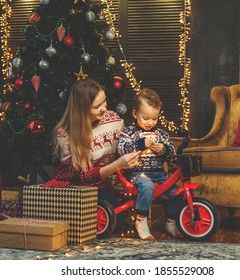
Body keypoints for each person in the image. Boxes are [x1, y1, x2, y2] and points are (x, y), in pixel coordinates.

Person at [44, 77, 140, 208]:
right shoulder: (66, 133)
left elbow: (125, 145)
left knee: (117, 219)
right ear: (82, 109)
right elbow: (82, 176)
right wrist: (117, 165)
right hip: (76, 189)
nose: (104, 109)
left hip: (104, 186)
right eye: (97, 106)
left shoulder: (113, 119)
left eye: (104, 101)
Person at [117, 88, 182, 240]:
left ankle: (171, 221)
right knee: (147, 186)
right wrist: (140, 144)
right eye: (145, 118)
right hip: (136, 173)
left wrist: (164, 149)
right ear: (135, 114)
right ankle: (141, 220)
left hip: (159, 174)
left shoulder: (161, 134)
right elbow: (121, 150)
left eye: (154, 119)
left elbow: (172, 153)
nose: (150, 123)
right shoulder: (129, 132)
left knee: (177, 193)